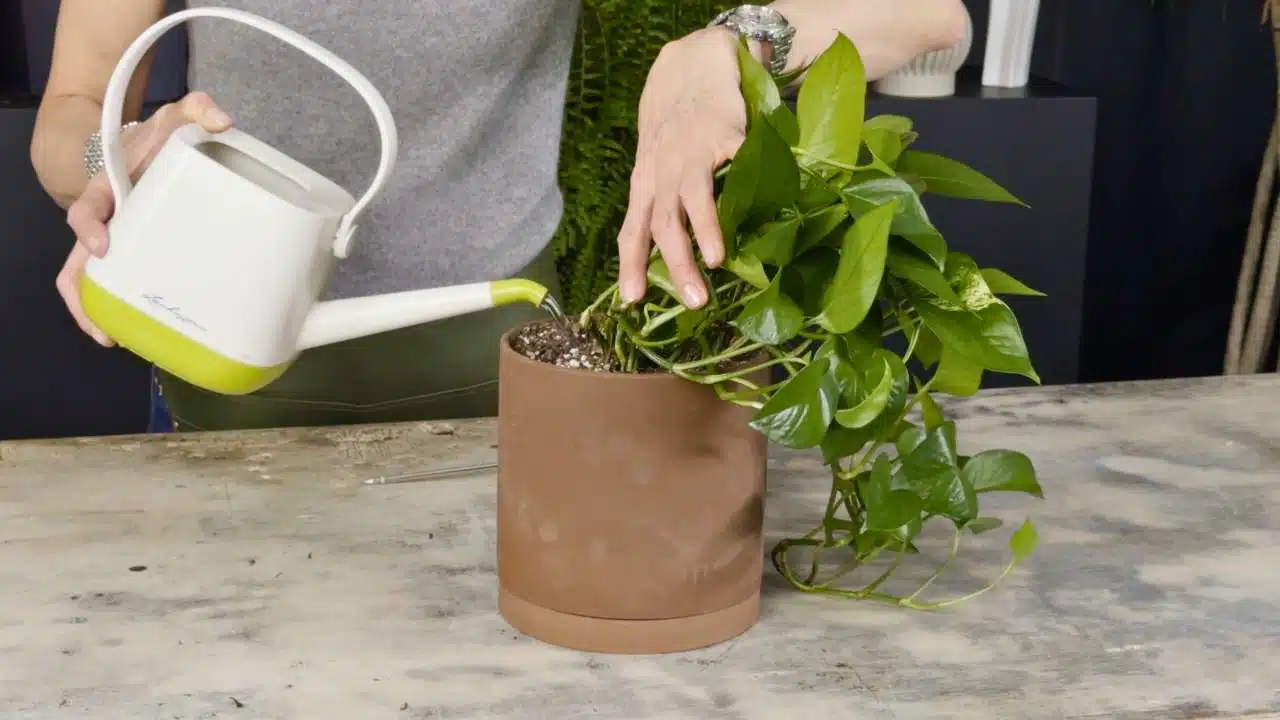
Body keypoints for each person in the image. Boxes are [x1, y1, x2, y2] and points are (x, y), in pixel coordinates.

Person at [31, 0, 965, 432]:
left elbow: (925, 14)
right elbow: (68, 110)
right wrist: (109, 159)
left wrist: (728, 44)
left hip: (494, 396)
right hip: (211, 387)